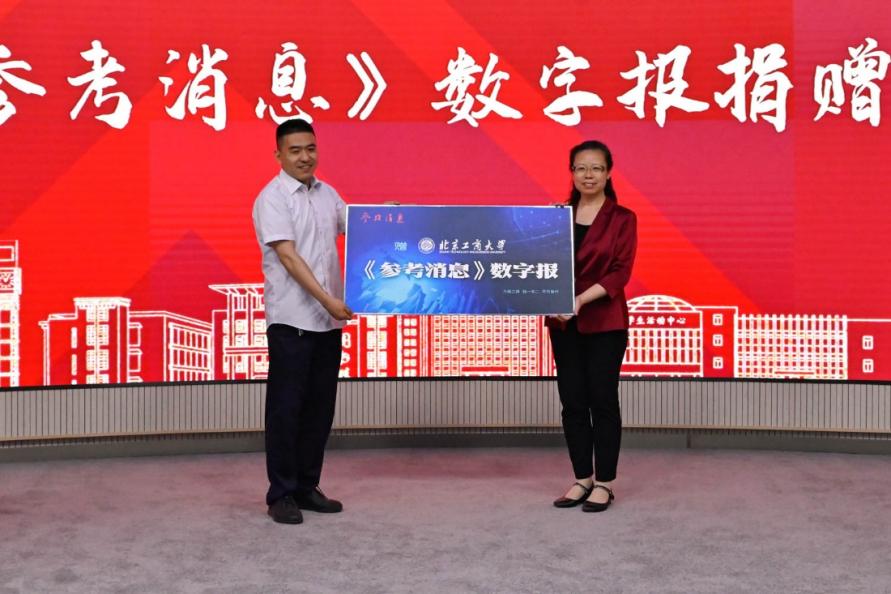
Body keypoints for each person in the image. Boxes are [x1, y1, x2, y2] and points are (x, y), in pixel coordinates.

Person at [252, 118, 353, 524]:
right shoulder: (273, 198)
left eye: (310, 148)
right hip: (292, 319)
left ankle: (307, 486)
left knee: (319, 408)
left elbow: (356, 226)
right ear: (278, 155)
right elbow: (289, 258)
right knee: (286, 409)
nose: (304, 157)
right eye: (295, 150)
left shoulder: (327, 194)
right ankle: (280, 493)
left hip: (327, 323)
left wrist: (393, 218)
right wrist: (328, 300)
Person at [547, 140, 637, 513]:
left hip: (605, 324)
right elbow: (539, 266)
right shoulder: (556, 216)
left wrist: (580, 300)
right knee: (572, 402)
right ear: (571, 172)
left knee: (602, 401)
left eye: (596, 168)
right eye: (581, 168)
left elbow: (620, 272)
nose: (588, 175)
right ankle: (582, 477)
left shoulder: (623, 218)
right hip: (562, 324)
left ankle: (605, 483)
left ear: (608, 173)